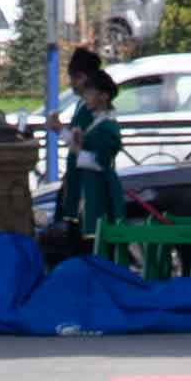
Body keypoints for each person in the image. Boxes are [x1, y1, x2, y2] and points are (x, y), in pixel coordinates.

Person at [45, 51, 124, 253]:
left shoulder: (105, 124)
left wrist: (65, 134)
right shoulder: (88, 110)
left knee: (91, 245)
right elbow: (78, 143)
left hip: (94, 190)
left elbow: (97, 159)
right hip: (81, 186)